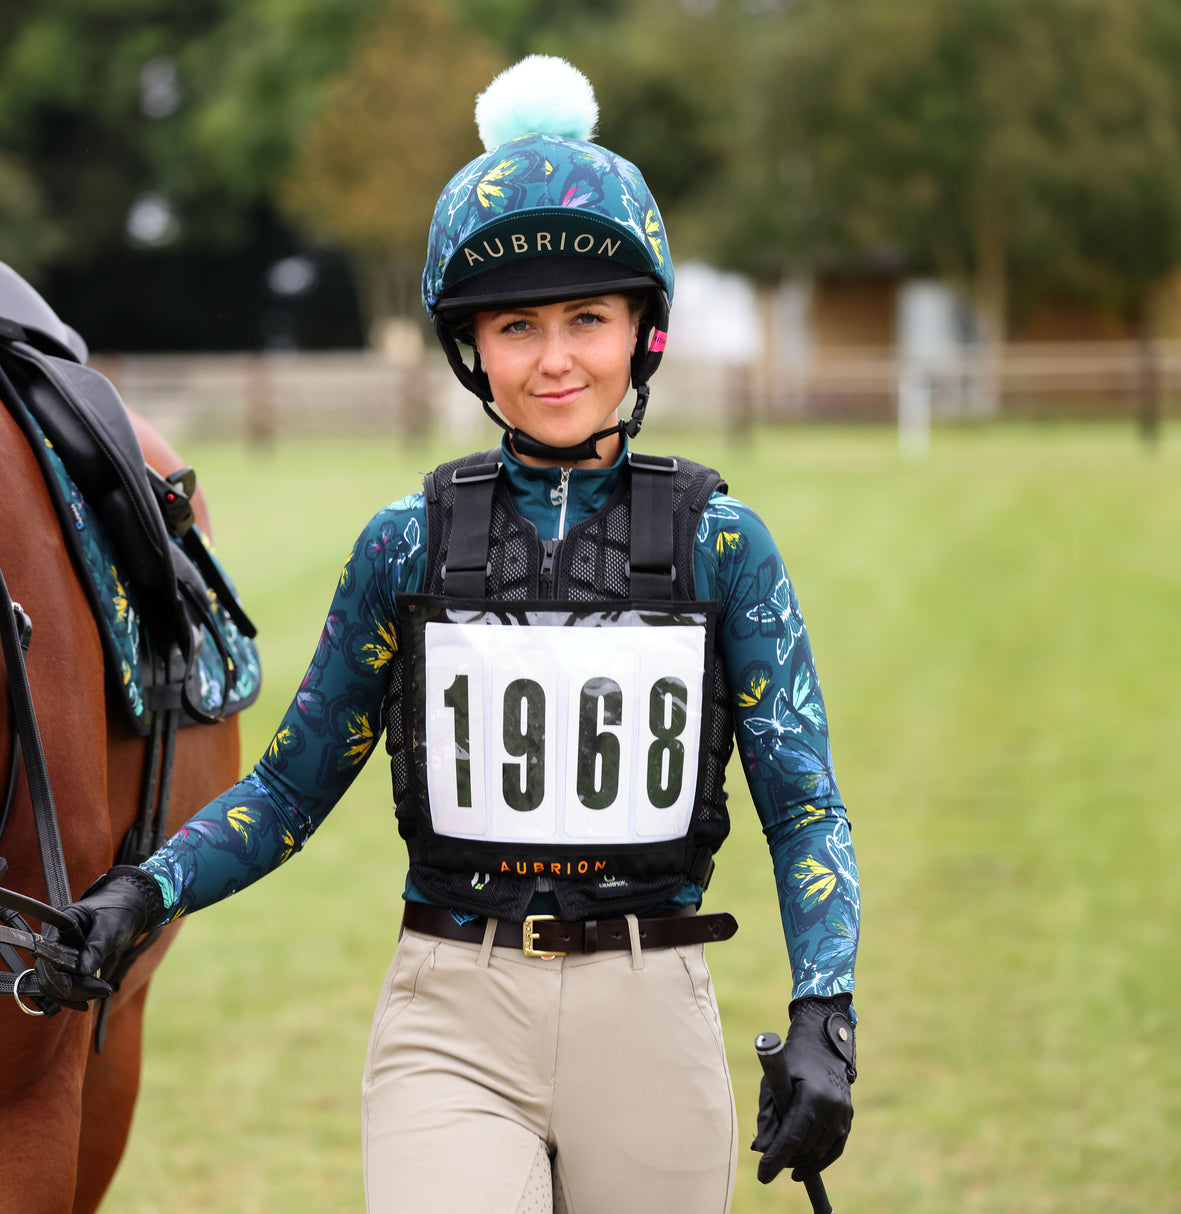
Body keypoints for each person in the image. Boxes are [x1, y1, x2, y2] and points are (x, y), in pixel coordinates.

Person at [40, 55, 859, 1213]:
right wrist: (142, 889)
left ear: (643, 332)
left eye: (588, 318)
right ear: (472, 346)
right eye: (516, 325)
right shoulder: (404, 546)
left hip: (652, 1006)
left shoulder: (725, 548)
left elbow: (803, 802)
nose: (555, 357)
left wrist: (825, 1008)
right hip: (450, 1011)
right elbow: (286, 789)